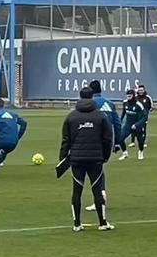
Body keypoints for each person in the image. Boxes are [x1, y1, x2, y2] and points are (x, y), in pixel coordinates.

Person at [59, 87, 114, 231]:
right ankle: (102, 223)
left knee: (77, 191)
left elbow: (65, 140)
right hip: (96, 159)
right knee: (97, 189)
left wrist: (63, 159)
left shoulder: (71, 117)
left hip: (76, 159)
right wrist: (106, 156)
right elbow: (107, 139)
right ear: (92, 97)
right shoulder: (101, 116)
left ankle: (77, 224)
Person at [85, 81, 122, 210]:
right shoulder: (110, 104)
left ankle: (99, 199)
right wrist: (117, 142)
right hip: (107, 141)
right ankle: (101, 196)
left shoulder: (90, 104)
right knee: (99, 169)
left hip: (92, 142)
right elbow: (117, 124)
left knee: (93, 171)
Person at [119, 89, 148, 161]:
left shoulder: (138, 105)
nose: (128, 97)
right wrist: (120, 121)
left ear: (133, 96)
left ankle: (140, 152)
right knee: (120, 138)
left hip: (137, 126)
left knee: (140, 141)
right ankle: (125, 153)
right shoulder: (125, 103)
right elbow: (123, 113)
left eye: (130, 96)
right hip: (128, 125)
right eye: (127, 96)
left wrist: (137, 124)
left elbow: (145, 116)